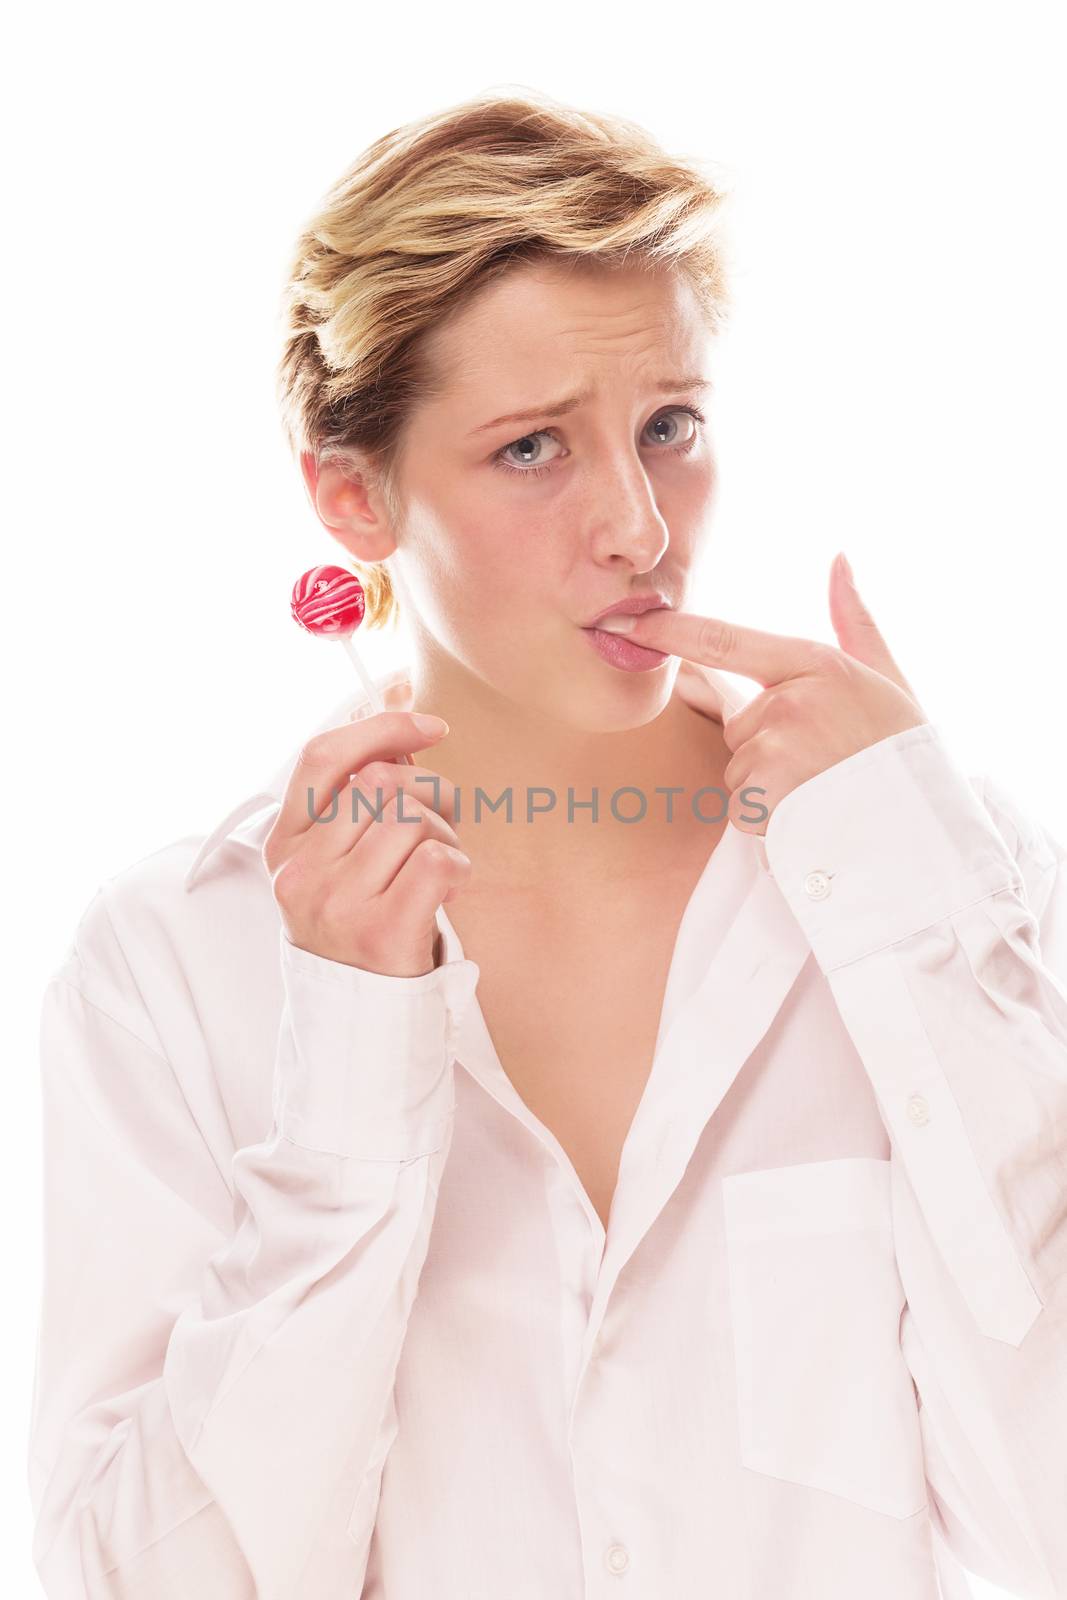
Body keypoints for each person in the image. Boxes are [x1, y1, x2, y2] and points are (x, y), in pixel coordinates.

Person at [27, 87, 1067, 1600]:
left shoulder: (937, 889)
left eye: (670, 427)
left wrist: (922, 921)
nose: (641, 527)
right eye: (532, 450)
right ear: (352, 494)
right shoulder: (174, 964)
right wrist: (350, 1079)